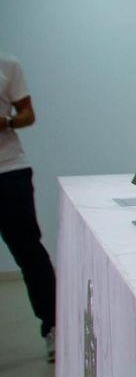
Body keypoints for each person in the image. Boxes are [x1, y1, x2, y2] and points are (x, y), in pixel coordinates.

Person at [0, 52, 58, 360]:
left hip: (8, 171)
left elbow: (28, 114)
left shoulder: (7, 66)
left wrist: (7, 120)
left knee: (29, 253)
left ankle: (54, 327)